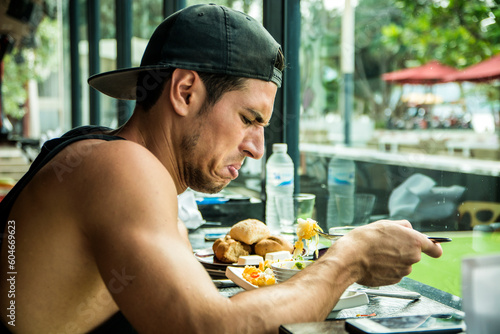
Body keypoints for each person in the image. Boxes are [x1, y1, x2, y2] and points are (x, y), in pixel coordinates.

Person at [0, 4, 442, 333]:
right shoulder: (121, 167)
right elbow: (206, 328)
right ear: (186, 91)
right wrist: (349, 259)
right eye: (249, 119)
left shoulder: (103, 157)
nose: (256, 148)